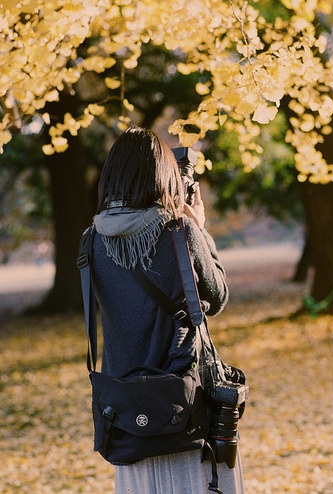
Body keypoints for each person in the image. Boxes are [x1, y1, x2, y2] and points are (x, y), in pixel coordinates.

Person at [89, 126, 245, 493]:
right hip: (186, 411)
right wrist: (199, 229)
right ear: (163, 175)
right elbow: (217, 297)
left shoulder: (90, 243)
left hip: (125, 416)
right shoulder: (180, 232)